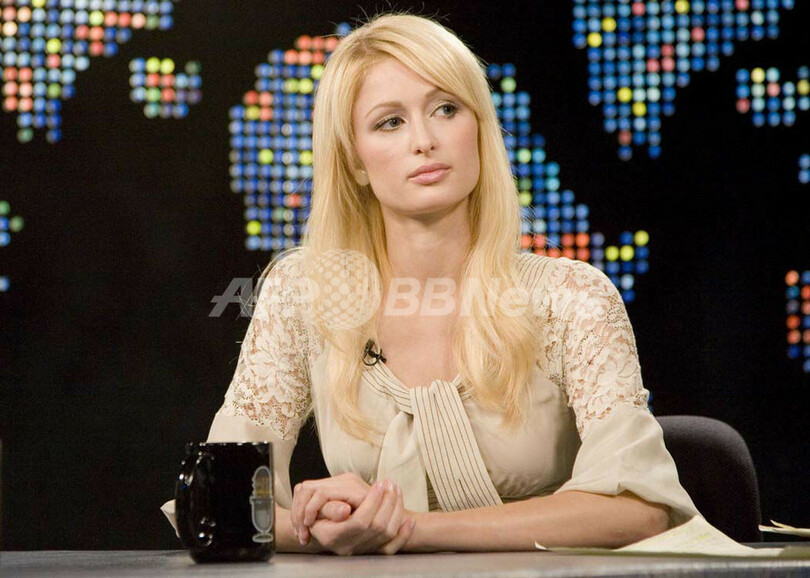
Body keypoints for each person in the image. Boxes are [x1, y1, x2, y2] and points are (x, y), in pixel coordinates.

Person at [162, 12, 701, 555]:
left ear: (479, 129)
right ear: (355, 161)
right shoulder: (304, 293)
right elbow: (215, 508)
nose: (424, 140)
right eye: (389, 122)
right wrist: (328, 526)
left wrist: (408, 529)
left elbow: (639, 509)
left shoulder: (572, 299)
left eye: (446, 109)